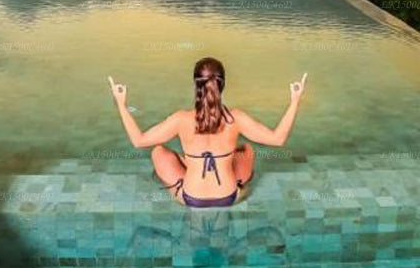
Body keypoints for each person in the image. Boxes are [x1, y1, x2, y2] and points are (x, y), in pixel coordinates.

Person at [108, 57, 306, 208]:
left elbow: (139, 140)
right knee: (247, 149)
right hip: (230, 196)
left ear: (197, 84)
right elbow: (278, 139)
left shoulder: (181, 119)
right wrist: (295, 101)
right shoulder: (236, 118)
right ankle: (227, 176)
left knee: (158, 151)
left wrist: (121, 105)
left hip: (190, 197)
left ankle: (190, 162)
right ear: (222, 84)